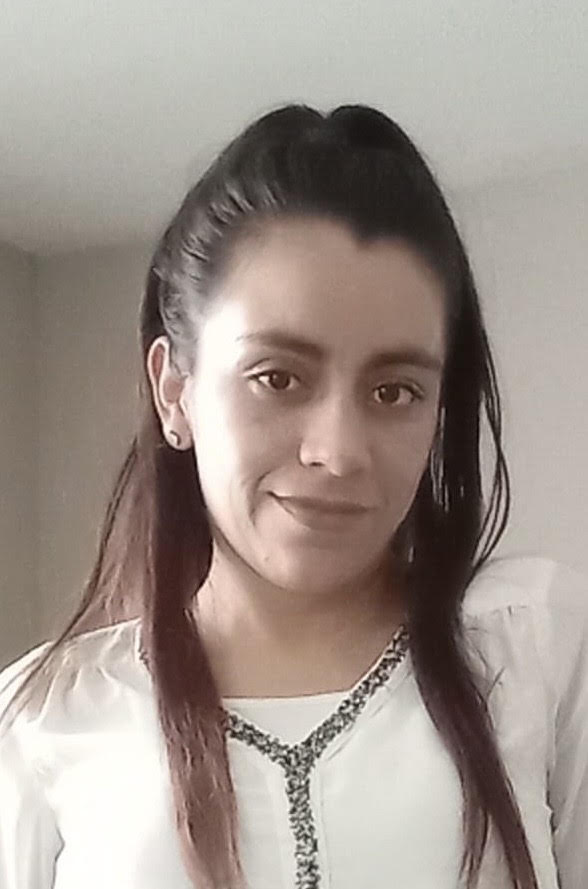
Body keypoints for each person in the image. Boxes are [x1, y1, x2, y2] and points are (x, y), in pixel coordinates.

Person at [0, 103, 586, 889]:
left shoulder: (536, 645)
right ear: (175, 390)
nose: (338, 451)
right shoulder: (42, 719)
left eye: (395, 390)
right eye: (277, 377)